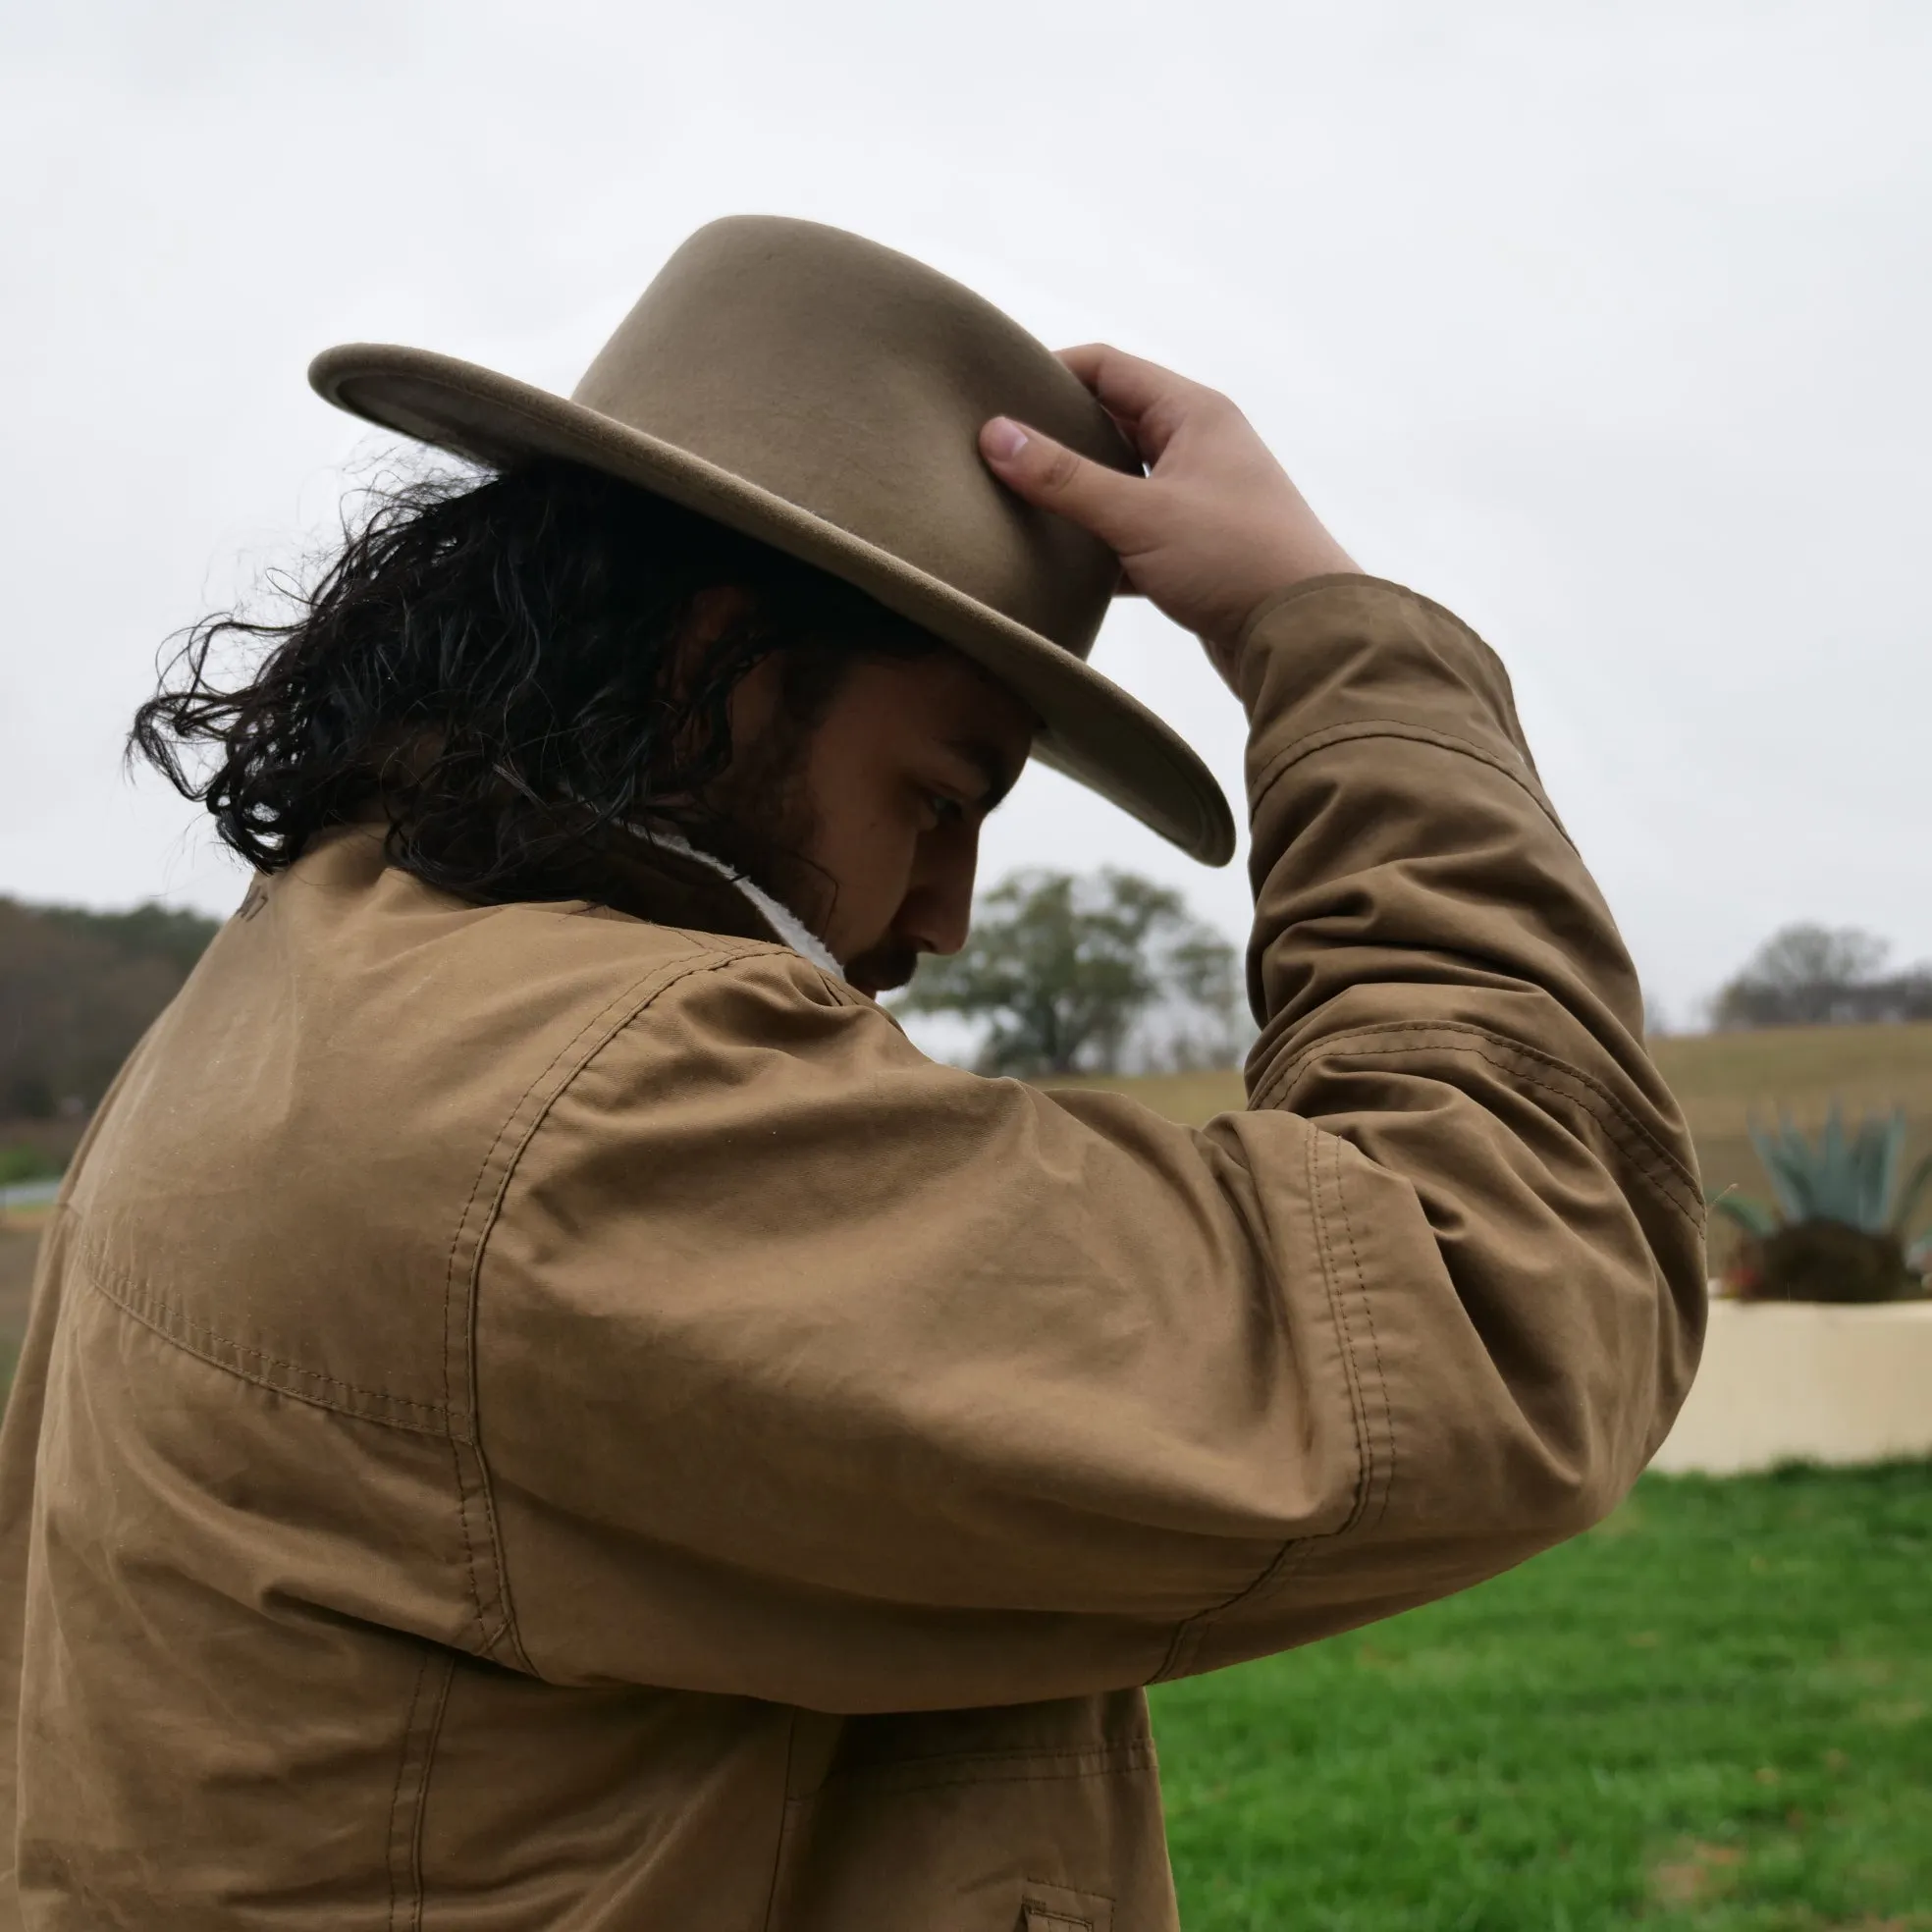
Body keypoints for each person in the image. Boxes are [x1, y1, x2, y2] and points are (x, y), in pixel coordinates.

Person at [0, 217, 1703, 1930]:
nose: (947, 918)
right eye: (941, 802)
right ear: (707, 669)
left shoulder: (316, 980)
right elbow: (1507, 1299)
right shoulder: (592, 1110)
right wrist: (1320, 632)